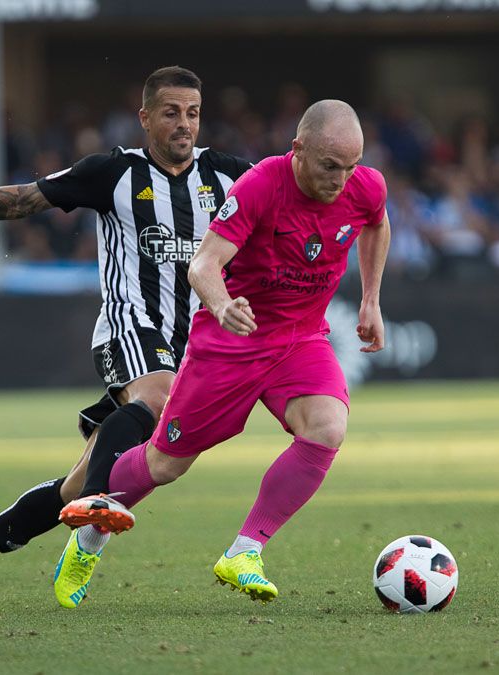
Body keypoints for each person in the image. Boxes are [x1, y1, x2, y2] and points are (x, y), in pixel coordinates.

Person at [0, 66, 253, 609]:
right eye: (171, 112)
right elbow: (21, 199)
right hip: (131, 327)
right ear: (145, 117)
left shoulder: (228, 176)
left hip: (194, 344)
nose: (184, 124)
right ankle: (101, 502)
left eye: (192, 113)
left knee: (71, 489)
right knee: (157, 396)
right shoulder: (113, 173)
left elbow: (287, 194)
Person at [56, 99, 390, 605]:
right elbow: (203, 264)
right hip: (231, 343)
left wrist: (370, 299)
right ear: (297, 150)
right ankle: (88, 535)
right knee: (165, 464)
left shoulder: (366, 185)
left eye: (351, 165)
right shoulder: (259, 186)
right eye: (329, 166)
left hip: (301, 338)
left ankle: (244, 550)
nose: (341, 179)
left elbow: (376, 222)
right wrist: (222, 305)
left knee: (327, 427)